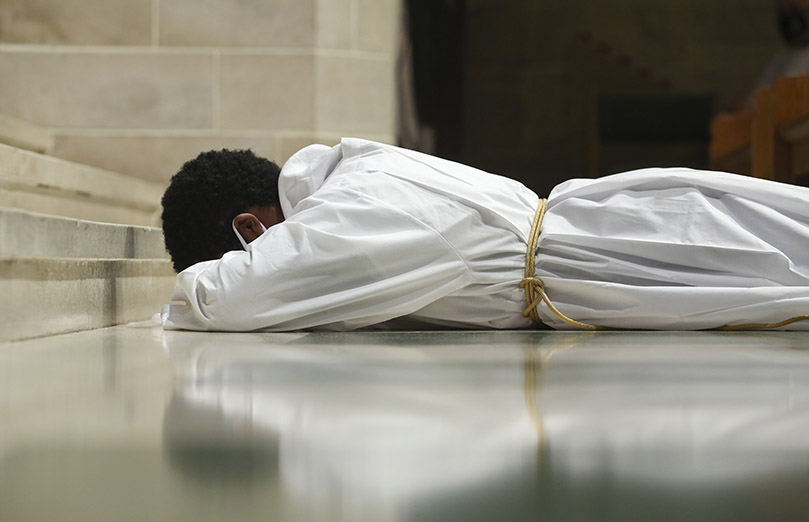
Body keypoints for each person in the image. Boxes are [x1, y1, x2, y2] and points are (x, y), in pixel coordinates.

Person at [159, 138, 809, 332]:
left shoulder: (350, 208)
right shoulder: (350, 173)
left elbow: (229, 299)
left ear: (250, 230)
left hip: (623, 250)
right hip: (613, 230)